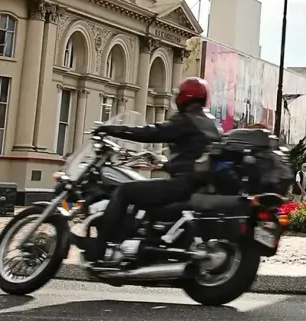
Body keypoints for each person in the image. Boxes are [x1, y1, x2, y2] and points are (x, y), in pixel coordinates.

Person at [87, 76, 222, 264]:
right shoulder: (211, 124)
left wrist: (111, 130)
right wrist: (165, 163)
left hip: (181, 184)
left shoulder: (185, 120)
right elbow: (194, 154)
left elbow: (151, 132)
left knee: (125, 191)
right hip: (197, 184)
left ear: (184, 96)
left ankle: (100, 250)